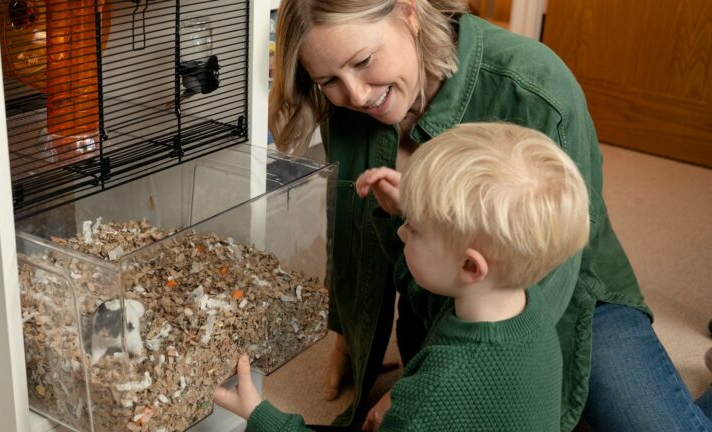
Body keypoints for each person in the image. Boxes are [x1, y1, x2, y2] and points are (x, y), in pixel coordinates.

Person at [268, 0, 712, 430]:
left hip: (571, 292)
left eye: (363, 60)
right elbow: (351, 231)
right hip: (444, 297)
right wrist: (348, 334)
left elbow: (555, 267)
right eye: (329, 79)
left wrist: (428, 394)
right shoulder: (343, 108)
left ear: (408, 13)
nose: (357, 95)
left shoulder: (536, 84)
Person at [214, 122, 591, 431]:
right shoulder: (525, 307)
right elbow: (431, 291)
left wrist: (261, 416)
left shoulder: (435, 395)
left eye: (413, 227)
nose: (401, 231)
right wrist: (400, 209)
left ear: (470, 266)